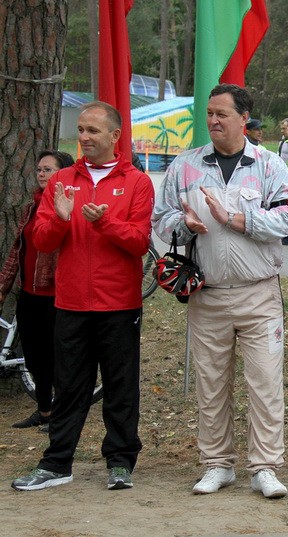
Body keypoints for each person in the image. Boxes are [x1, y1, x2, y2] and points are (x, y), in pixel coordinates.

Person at [152, 84, 288, 498]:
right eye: (210, 113)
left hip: (259, 294)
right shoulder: (185, 166)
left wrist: (234, 219)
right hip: (208, 294)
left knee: (265, 383)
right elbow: (161, 220)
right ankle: (217, 464)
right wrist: (184, 225)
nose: (213, 121)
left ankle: (265, 467)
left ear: (244, 118)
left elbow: (286, 222)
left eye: (222, 114)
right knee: (211, 384)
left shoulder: (269, 165)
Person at [11, 101, 154, 491]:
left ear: (115, 135)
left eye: (93, 130)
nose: (85, 137)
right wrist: (60, 218)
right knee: (69, 387)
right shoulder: (62, 180)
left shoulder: (137, 182)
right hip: (71, 303)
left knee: (121, 387)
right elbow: (42, 241)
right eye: (81, 130)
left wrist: (104, 221)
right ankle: (57, 463)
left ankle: (120, 462)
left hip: (119, 304)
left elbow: (139, 242)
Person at [0, 150, 74, 432]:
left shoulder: (68, 205)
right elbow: (17, 249)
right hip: (28, 293)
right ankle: (44, 410)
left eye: (48, 169)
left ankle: (63, 416)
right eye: (39, 169)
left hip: (57, 295)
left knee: (58, 359)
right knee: (33, 357)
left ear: (63, 174)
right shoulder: (32, 207)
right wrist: (4, 286)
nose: (41, 174)